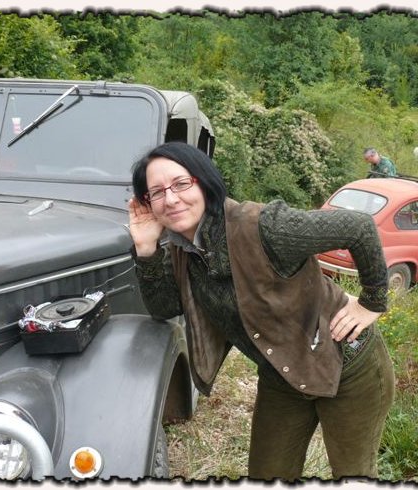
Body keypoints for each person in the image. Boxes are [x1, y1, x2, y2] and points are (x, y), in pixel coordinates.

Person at [128, 141, 395, 481]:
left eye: (181, 184)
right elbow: (164, 307)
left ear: (204, 182)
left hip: (347, 365)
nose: (170, 199)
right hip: (282, 374)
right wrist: (146, 249)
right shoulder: (183, 248)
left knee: (353, 476)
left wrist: (372, 302)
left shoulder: (264, 226)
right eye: (156, 192)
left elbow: (358, 228)